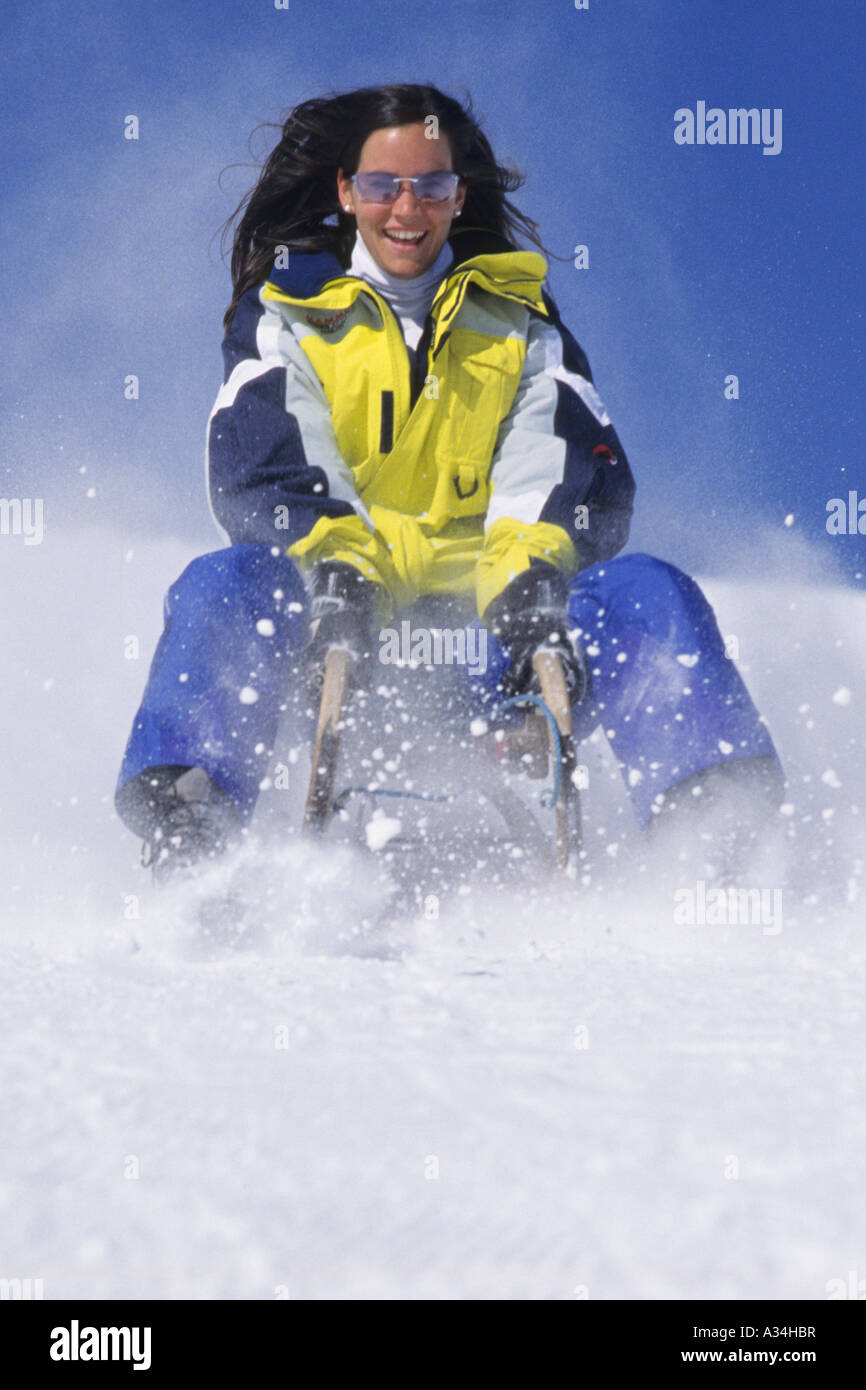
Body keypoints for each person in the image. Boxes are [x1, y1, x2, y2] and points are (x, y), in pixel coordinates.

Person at [115, 82, 783, 883]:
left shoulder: (518, 324)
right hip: (335, 635)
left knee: (645, 593)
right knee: (226, 586)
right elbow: (268, 457)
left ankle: (718, 853)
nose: (407, 208)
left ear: (457, 196)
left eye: (430, 186)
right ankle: (193, 849)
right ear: (345, 192)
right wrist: (334, 573)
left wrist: (531, 596)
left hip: (493, 642)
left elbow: (563, 464)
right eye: (381, 185)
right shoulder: (287, 313)